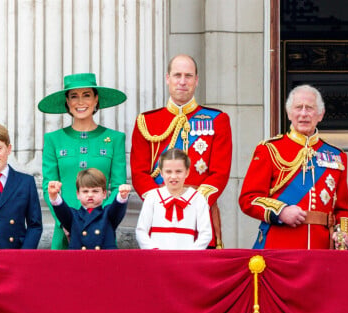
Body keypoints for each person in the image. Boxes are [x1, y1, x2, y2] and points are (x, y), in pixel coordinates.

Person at [130, 54, 232, 248]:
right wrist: (161, 202)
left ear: (196, 80)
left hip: (199, 215)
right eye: (177, 75)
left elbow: (220, 173)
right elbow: (138, 172)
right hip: (158, 216)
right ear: (167, 78)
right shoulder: (146, 122)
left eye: (188, 76)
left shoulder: (217, 120)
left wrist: (194, 202)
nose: (183, 82)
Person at [239, 85, 348, 249]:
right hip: (279, 245)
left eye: (310, 108)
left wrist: (342, 232)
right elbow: (248, 199)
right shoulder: (269, 150)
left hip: (320, 247)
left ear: (320, 115)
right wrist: (281, 212)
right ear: (289, 113)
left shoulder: (337, 156)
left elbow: (343, 209)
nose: (304, 114)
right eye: (298, 108)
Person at [39, 73, 127, 249]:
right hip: (65, 229)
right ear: (67, 102)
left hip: (102, 230)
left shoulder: (115, 139)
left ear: (96, 99)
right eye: (74, 96)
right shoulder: (53, 139)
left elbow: (118, 185)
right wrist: (65, 221)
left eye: (86, 95)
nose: (80, 102)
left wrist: (103, 218)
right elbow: (49, 185)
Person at [136, 148, 212, 250]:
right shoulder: (152, 197)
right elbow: (141, 230)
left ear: (187, 172)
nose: (173, 176)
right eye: (168, 172)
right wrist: (153, 251)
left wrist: (191, 254)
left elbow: (206, 233)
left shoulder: (197, 198)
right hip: (157, 258)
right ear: (161, 173)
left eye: (178, 171)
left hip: (187, 260)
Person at [47, 168, 131, 250]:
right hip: (79, 261)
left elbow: (117, 208)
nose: (90, 195)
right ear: (78, 194)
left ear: (104, 194)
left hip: (105, 261)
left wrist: (122, 196)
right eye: (85, 191)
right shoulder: (73, 215)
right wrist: (54, 196)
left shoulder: (108, 214)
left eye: (95, 191)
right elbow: (61, 210)